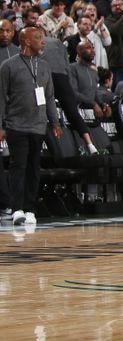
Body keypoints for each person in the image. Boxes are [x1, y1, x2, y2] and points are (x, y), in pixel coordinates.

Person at [0, 26, 61, 226]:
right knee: (18, 166)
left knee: (34, 168)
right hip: (16, 125)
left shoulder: (44, 66)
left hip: (38, 126)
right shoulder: (8, 66)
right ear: (26, 41)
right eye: (38, 38)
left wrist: (54, 122)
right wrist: (1, 126)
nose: (43, 41)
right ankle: (16, 208)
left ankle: (30, 209)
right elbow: (1, 98)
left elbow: (50, 96)